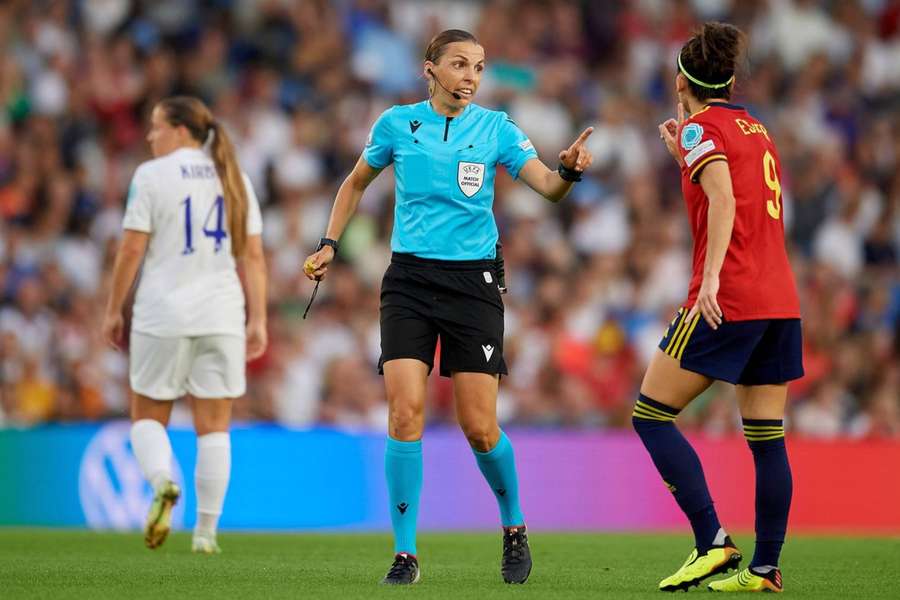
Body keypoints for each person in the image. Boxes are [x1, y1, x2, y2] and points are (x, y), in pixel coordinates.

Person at [302, 29, 593, 585]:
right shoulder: (394, 124)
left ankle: (513, 526)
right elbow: (353, 184)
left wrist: (571, 172)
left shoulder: (497, 128)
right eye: (459, 64)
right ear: (428, 69)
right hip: (408, 279)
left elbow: (549, 188)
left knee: (479, 426)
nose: (470, 76)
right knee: (403, 413)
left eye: (479, 67)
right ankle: (405, 554)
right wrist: (329, 244)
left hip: (472, 285)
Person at [634, 22, 802, 593]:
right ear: (727, 80)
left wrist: (708, 283)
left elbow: (726, 200)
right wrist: (686, 150)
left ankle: (712, 542)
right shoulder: (755, 127)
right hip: (780, 298)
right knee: (766, 435)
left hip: (728, 297)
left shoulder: (699, 130)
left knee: (650, 413)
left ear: (681, 80)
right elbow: (744, 190)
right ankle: (765, 568)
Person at [102, 96, 267, 554]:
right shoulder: (233, 176)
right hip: (223, 315)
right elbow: (253, 256)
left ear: (179, 131)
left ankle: (162, 481)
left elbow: (131, 249)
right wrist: (259, 319)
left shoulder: (152, 176)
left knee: (146, 418)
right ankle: (206, 535)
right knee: (214, 427)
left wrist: (114, 308)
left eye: (156, 127)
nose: (151, 136)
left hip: (163, 313)